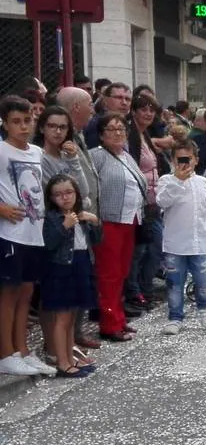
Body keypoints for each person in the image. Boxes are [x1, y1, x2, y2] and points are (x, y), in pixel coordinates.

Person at [0, 95, 55, 376]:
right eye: (16, 122)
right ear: (5, 124)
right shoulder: (1, 151)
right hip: (10, 234)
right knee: (8, 294)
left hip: (34, 232)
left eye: (28, 120)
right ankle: (5, 352)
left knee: (26, 292)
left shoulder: (36, 152)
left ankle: (22, 349)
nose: (23, 127)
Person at [89, 111, 145, 343]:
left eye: (121, 129)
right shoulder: (97, 156)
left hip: (129, 220)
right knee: (108, 275)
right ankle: (109, 323)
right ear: (101, 135)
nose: (118, 133)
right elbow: (90, 188)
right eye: (112, 129)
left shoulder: (127, 156)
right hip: (109, 221)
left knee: (121, 272)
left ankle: (119, 318)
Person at [156, 140, 206, 335]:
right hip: (175, 244)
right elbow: (162, 201)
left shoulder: (203, 183)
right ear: (172, 160)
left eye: (188, 159)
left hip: (200, 243)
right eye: (179, 159)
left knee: (204, 279)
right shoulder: (166, 181)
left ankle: (205, 308)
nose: (184, 163)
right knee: (175, 283)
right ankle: (175, 316)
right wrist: (178, 181)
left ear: (196, 160)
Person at [40, 174, 101, 377]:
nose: (65, 198)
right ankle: (62, 362)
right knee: (62, 318)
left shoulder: (80, 215)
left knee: (72, 317)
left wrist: (94, 221)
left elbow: (97, 240)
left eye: (68, 192)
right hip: (61, 268)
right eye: (58, 195)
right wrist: (64, 226)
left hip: (81, 263)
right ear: (51, 198)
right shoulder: (52, 218)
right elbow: (49, 243)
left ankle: (69, 356)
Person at [125, 93, 169, 314]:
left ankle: (144, 288)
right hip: (140, 204)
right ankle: (136, 292)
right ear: (134, 111)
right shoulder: (131, 136)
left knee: (154, 248)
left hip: (153, 202)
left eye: (152, 110)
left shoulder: (146, 135)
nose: (148, 113)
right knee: (140, 251)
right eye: (143, 109)